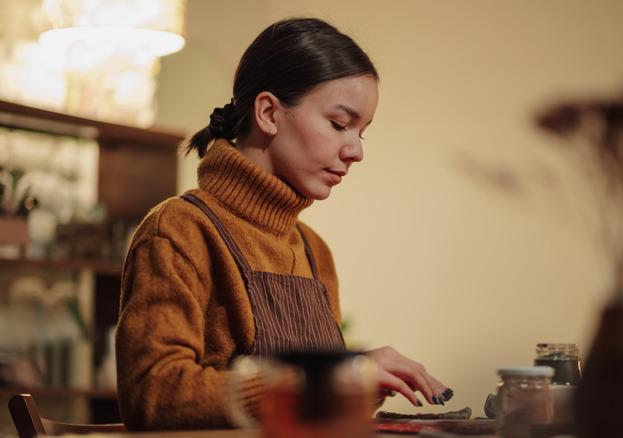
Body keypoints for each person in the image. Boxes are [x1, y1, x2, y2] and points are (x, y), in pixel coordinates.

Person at [114, 17, 452, 431]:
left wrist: (352, 390)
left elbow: (312, 418)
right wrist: (331, 379)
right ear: (269, 113)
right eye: (339, 124)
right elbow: (153, 395)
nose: (355, 152)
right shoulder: (178, 230)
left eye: (362, 133)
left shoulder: (314, 249)